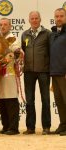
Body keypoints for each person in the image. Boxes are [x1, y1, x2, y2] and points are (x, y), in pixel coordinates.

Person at [21, 11, 51, 135]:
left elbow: (51, 52)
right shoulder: (24, 34)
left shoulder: (47, 34)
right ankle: (30, 127)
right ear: (29, 20)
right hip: (28, 72)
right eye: (32, 18)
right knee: (29, 100)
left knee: (45, 99)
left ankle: (46, 127)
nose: (34, 20)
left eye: (36, 18)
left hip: (44, 71)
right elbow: (22, 52)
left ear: (40, 19)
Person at [0, 18, 23, 135]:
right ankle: (5, 126)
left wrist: (4, 59)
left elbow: (17, 53)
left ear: (10, 26)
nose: (3, 27)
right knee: (2, 99)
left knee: (11, 99)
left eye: (5, 25)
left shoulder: (13, 39)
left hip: (10, 73)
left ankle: (13, 127)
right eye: (1, 25)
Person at [50, 8, 66, 136]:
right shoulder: (54, 33)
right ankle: (63, 124)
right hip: (54, 73)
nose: (59, 18)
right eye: (57, 16)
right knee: (59, 101)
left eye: (61, 16)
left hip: (64, 73)